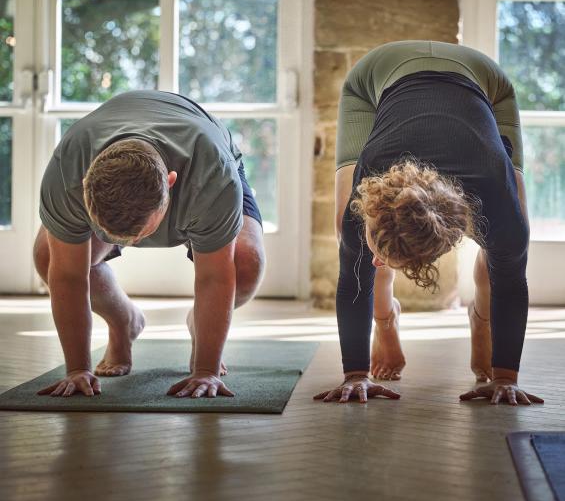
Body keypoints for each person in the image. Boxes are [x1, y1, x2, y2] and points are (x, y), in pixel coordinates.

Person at [314, 40, 544, 406]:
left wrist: (506, 378)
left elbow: (513, 284)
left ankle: (480, 321)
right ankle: (386, 323)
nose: (377, 261)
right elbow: (353, 281)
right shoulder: (372, 171)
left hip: (483, 83)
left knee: (510, 244)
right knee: (349, 236)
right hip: (378, 74)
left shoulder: (493, 196)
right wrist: (355, 375)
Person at [33, 90, 265, 399]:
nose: (130, 244)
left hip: (207, 158)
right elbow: (68, 277)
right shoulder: (68, 170)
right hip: (105, 154)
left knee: (246, 263)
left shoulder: (210, 173)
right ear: (85, 187)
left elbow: (215, 277)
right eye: (115, 235)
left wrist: (205, 371)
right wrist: (77, 369)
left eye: (138, 234)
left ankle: (200, 326)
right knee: (49, 256)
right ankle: (124, 322)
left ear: (171, 183)